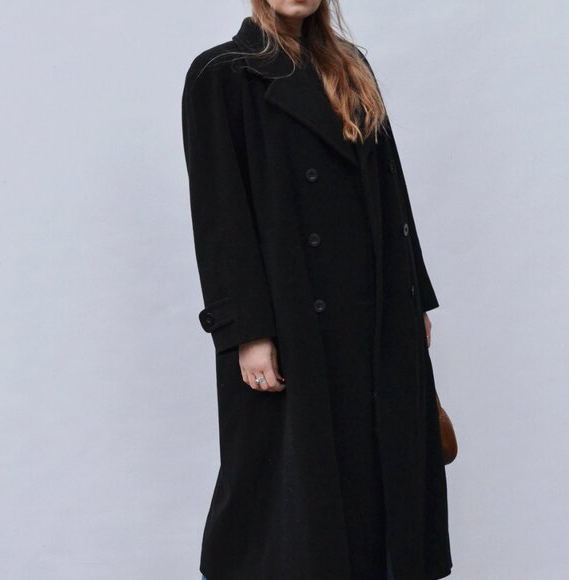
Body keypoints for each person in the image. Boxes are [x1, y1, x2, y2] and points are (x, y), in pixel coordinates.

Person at [181, 1, 453, 579]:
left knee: (382, 481)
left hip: (377, 308)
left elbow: (390, 188)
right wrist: (247, 331)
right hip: (291, 317)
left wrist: (415, 297)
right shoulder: (223, 74)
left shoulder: (350, 65)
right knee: (295, 505)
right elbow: (220, 215)